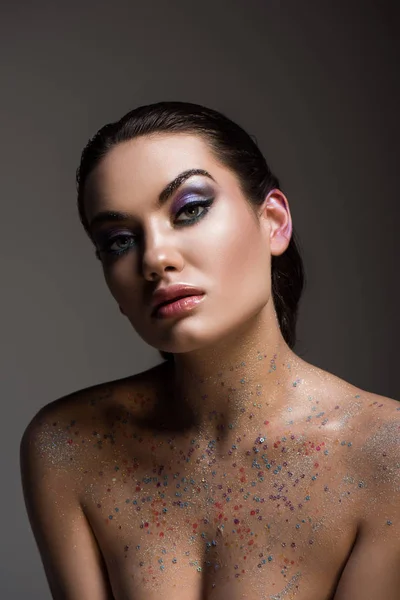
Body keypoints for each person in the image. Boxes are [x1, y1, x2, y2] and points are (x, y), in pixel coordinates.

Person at [20, 101, 399, 600]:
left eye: (190, 209)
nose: (154, 257)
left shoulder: (385, 457)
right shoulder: (67, 447)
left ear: (274, 222)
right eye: (118, 241)